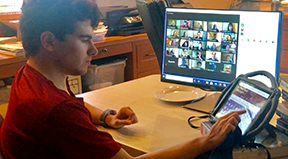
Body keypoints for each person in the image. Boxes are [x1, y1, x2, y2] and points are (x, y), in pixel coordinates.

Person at [0, 0, 246, 158]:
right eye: (85, 40)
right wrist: (205, 141)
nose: (94, 51)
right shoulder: (56, 111)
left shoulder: (32, 74)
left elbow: (70, 102)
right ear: (49, 41)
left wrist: (106, 116)